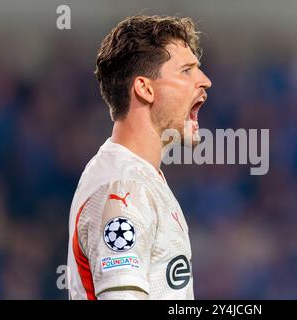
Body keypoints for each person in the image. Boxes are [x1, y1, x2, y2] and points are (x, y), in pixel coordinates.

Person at [67, 15, 212, 300]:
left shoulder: (137, 177)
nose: (205, 81)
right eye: (186, 70)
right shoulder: (122, 189)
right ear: (144, 89)